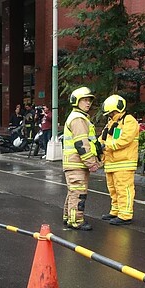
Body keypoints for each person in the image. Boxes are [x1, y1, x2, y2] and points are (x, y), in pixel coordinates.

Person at [62, 87, 103, 231]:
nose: (88, 103)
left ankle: (69, 217)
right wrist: (92, 162)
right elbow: (82, 144)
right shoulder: (78, 119)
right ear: (76, 101)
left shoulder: (80, 117)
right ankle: (76, 221)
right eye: (85, 100)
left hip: (75, 162)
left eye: (89, 100)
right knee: (79, 193)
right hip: (77, 163)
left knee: (73, 191)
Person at [100, 94, 140, 226]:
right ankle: (116, 211)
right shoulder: (112, 123)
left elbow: (124, 140)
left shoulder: (129, 121)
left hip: (124, 162)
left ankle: (125, 215)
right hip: (111, 162)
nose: (110, 115)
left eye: (111, 112)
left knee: (124, 189)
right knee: (113, 189)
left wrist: (106, 146)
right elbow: (104, 138)